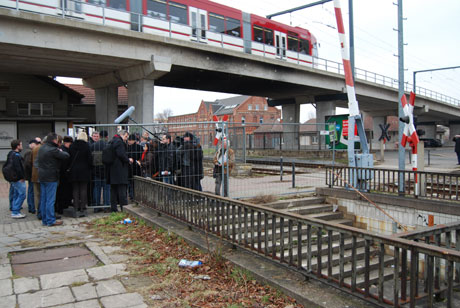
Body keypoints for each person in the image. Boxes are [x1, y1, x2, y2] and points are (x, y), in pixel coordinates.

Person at [37, 133, 69, 226]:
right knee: (50, 200)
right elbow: (66, 155)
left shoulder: (41, 148)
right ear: (54, 140)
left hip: (42, 176)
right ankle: (51, 220)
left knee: (43, 199)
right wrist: (60, 149)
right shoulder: (53, 150)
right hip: (51, 177)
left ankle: (44, 219)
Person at [106, 130, 132, 212]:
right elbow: (121, 154)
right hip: (120, 170)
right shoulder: (119, 142)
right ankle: (124, 208)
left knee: (113, 190)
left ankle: (113, 208)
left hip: (112, 170)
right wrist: (128, 160)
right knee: (122, 190)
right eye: (126, 136)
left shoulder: (111, 141)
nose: (126, 138)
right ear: (122, 135)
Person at [68, 132, 93, 217]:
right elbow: (90, 159)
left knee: (75, 189)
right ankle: (83, 207)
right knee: (83, 189)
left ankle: (76, 207)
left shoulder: (72, 146)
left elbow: (69, 158)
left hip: (74, 170)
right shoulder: (87, 146)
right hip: (84, 170)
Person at [90, 130, 110, 209]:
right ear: (107, 137)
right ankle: (106, 205)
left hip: (96, 170)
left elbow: (91, 159)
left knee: (96, 188)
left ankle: (96, 206)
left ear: (99, 136)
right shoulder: (108, 145)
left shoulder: (93, 146)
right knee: (106, 189)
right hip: (106, 170)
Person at [7, 140, 27, 219]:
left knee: (16, 194)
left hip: (13, 178)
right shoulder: (16, 156)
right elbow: (18, 168)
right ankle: (15, 212)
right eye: (21, 145)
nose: (22, 146)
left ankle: (14, 209)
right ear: (17, 146)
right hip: (18, 178)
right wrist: (22, 177)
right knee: (22, 194)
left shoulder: (10, 154)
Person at [56, 136, 73, 214]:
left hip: (63, 174)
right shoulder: (63, 151)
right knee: (62, 191)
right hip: (63, 174)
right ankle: (62, 206)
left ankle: (64, 205)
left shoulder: (62, 149)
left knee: (63, 191)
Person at [22, 139, 40, 214]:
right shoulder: (30, 152)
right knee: (32, 191)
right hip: (31, 175)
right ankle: (32, 207)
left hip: (30, 175)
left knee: (31, 191)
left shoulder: (28, 152)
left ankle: (31, 206)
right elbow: (28, 164)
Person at [126, 134, 143, 200]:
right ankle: (132, 195)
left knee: (132, 182)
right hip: (135, 167)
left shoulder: (128, 147)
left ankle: (133, 195)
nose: (129, 141)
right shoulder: (138, 147)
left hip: (133, 167)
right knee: (132, 182)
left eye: (130, 140)